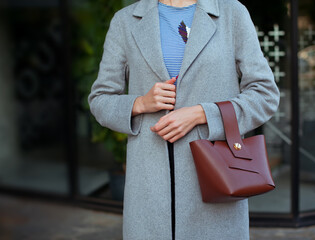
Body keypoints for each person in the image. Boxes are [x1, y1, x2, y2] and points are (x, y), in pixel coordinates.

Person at [88, 0, 280, 239]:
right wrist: (140, 103)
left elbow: (265, 94)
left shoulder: (232, 13)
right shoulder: (125, 21)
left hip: (215, 182)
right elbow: (100, 100)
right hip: (148, 190)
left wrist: (202, 114)